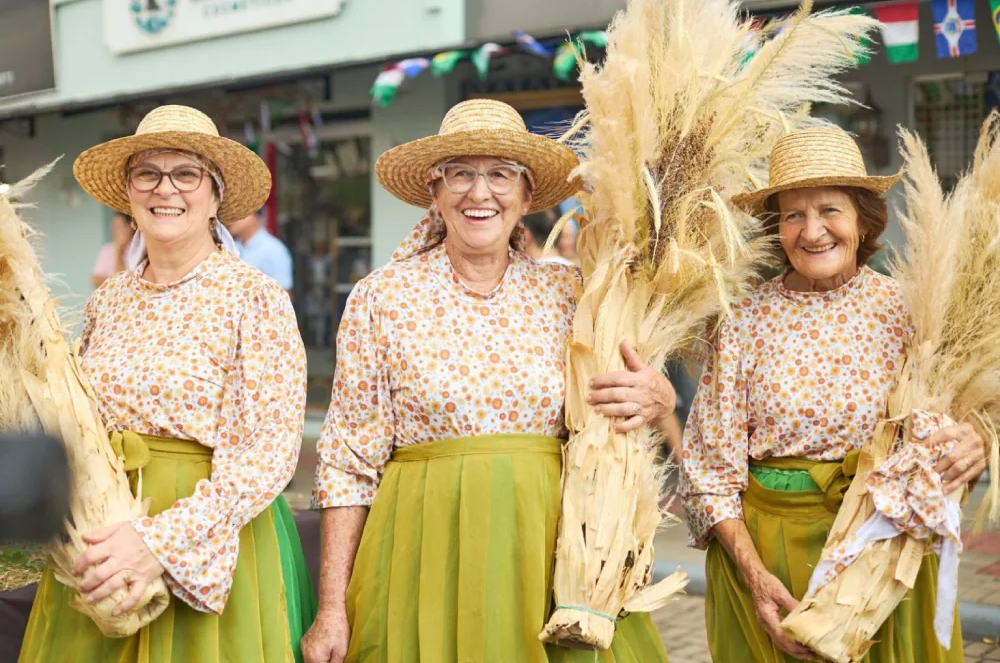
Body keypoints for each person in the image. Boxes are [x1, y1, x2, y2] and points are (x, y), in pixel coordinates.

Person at [302, 99, 676, 663]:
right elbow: (347, 463)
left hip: (551, 548)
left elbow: (631, 393)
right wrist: (331, 607)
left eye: (500, 174)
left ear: (526, 197)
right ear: (436, 191)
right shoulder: (382, 297)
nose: (480, 193)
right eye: (461, 174)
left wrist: (659, 396)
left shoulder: (572, 294)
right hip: (423, 546)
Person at [18, 105, 316, 663]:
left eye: (186, 173)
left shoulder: (255, 297)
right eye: (147, 174)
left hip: (207, 534)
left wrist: (158, 543)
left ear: (214, 194)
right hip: (104, 526)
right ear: (128, 194)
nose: (166, 189)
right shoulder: (109, 299)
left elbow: (269, 451)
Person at [679, 128, 985, 662]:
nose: (812, 230)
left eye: (830, 210)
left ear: (864, 218)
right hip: (771, 555)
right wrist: (755, 577)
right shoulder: (745, 318)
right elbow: (709, 472)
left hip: (887, 555)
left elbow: (962, 415)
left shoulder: (911, 309)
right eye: (793, 215)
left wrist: (977, 439)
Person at [228, 210, 295, 293]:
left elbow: (284, 295)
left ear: (253, 215)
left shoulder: (274, 249)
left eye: (236, 213)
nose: (229, 218)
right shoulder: (230, 247)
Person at [91, 213, 134, 288]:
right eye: (113, 226)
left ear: (129, 228)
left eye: (119, 226)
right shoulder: (107, 249)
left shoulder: (137, 249)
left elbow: (126, 282)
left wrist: (118, 249)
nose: (115, 230)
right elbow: (95, 279)